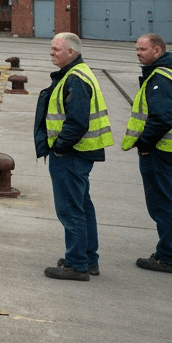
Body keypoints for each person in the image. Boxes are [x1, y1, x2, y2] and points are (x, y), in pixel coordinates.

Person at [34, 32, 113, 281]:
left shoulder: (75, 79)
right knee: (82, 205)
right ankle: (88, 259)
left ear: (72, 52)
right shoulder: (79, 73)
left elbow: (77, 121)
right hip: (81, 153)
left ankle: (76, 264)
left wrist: (59, 147)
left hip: (71, 153)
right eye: (52, 48)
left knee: (70, 209)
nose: (51, 53)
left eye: (56, 49)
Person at [123, 33, 172, 274]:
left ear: (158, 51)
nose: (138, 53)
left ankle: (167, 257)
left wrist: (144, 144)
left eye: (143, 49)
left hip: (162, 151)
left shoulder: (160, 78)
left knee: (164, 205)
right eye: (137, 49)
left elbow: (161, 119)